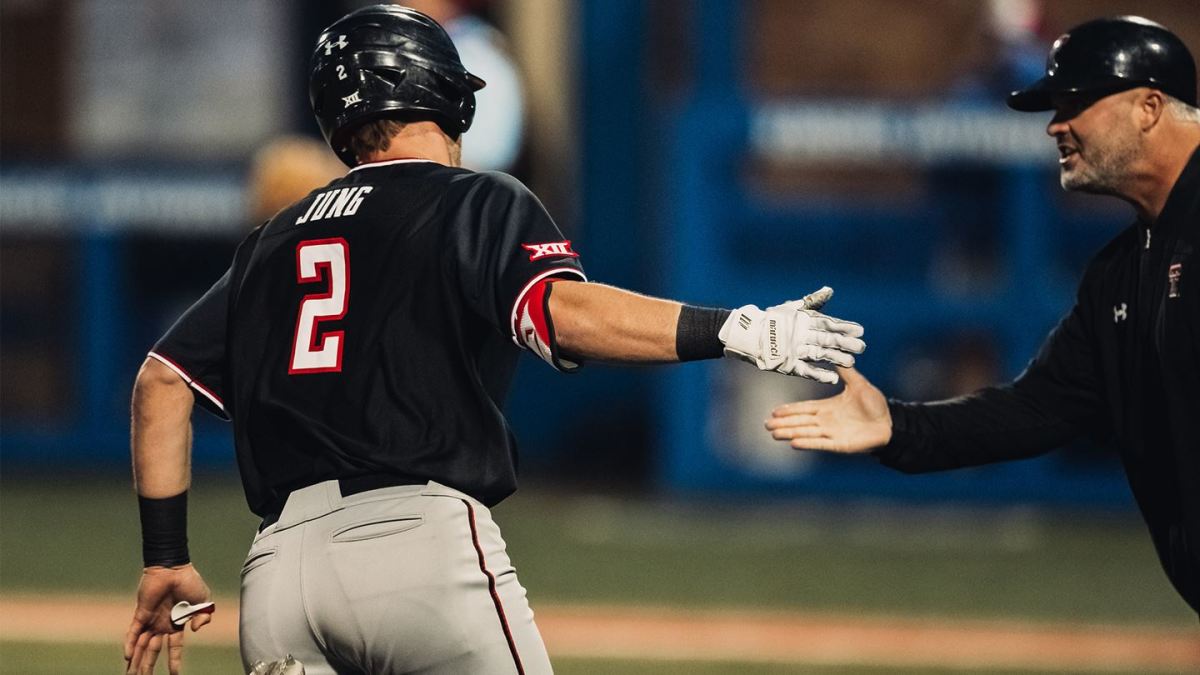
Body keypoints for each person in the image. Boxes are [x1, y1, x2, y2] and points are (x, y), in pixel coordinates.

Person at [121, 6, 866, 675]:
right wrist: (730, 328)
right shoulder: (474, 197)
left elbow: (159, 381)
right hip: (416, 549)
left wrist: (165, 559)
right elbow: (561, 312)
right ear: (440, 90)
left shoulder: (268, 242)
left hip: (278, 575)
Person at [767, 16, 1200, 617]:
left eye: (1075, 103)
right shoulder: (1122, 273)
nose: (1055, 125)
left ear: (1149, 106)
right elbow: (1037, 408)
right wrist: (897, 426)